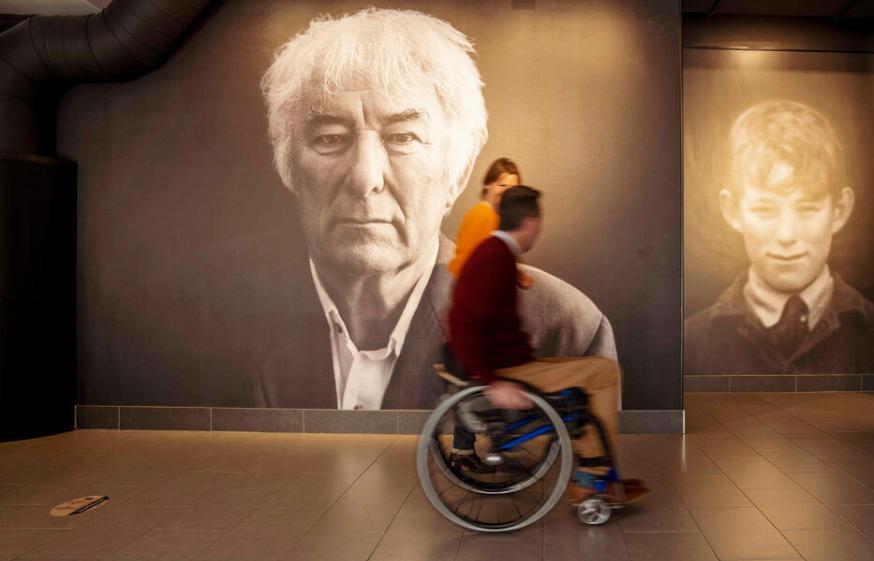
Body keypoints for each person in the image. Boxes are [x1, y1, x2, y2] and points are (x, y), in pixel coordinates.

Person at [135, 8, 617, 409]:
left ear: (458, 170)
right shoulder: (199, 319)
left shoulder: (563, 328)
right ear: (288, 167)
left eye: (403, 137)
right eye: (330, 138)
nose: (365, 178)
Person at [449, 186, 648, 505]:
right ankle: (594, 478)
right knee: (604, 373)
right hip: (508, 370)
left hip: (514, 363)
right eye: (538, 225)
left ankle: (593, 471)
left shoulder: (495, 254)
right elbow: (462, 322)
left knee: (589, 377)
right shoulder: (494, 258)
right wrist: (492, 382)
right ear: (531, 224)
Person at [685, 100, 874, 375]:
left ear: (839, 211)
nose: (786, 235)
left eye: (807, 209)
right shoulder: (692, 342)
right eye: (765, 210)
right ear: (732, 211)